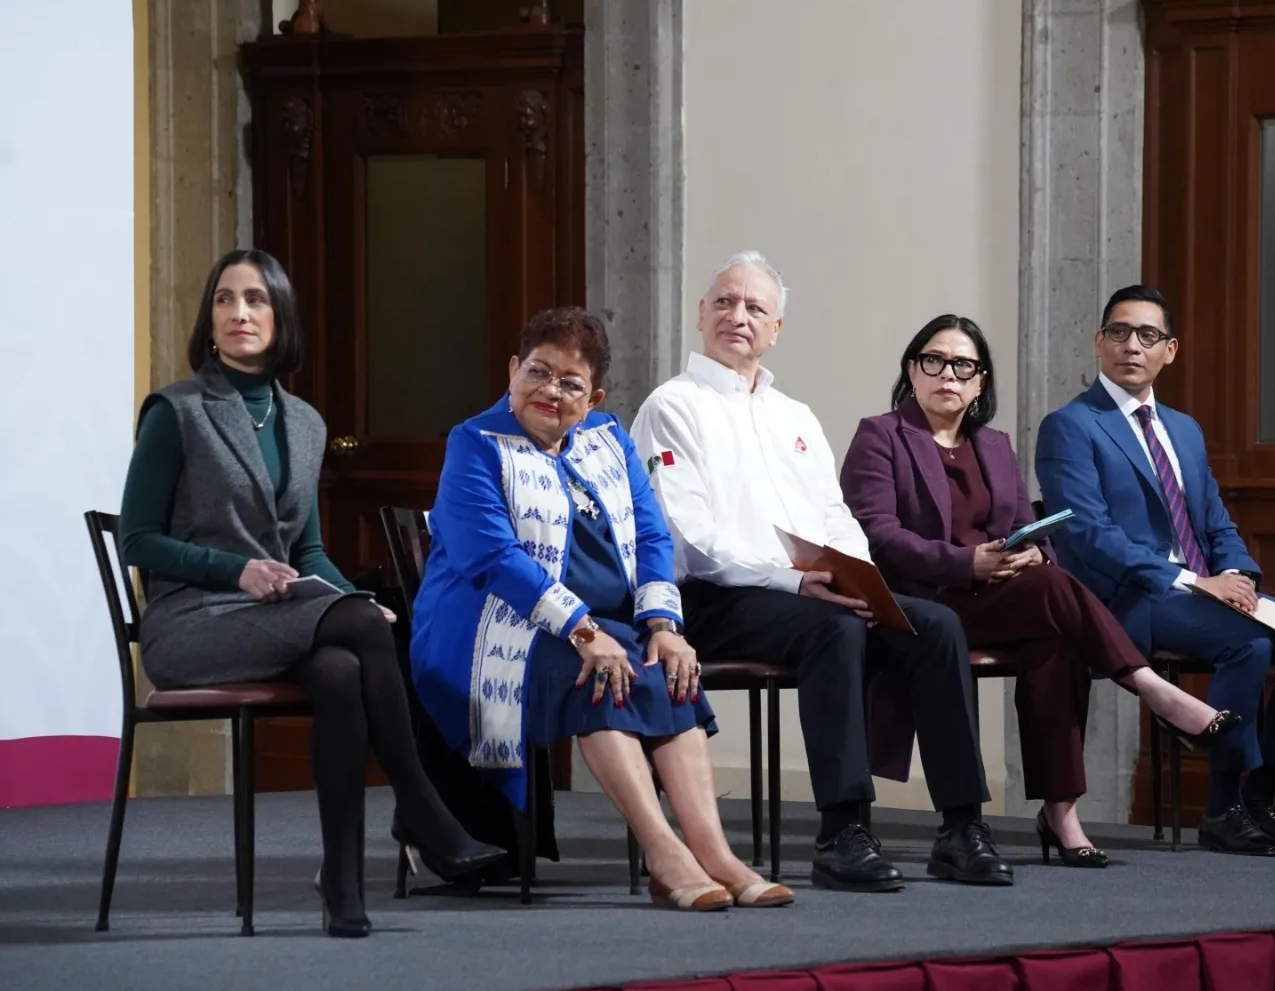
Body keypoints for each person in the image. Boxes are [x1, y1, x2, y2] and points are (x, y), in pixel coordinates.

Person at [119, 249, 503, 938]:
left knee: (342, 667)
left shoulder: (304, 423)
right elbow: (138, 541)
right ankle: (421, 808)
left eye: (257, 300)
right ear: (209, 324)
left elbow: (306, 552)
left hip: (278, 618)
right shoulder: (175, 413)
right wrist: (232, 570)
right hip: (193, 622)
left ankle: (343, 882)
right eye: (226, 300)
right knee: (356, 634)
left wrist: (350, 596)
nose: (240, 313)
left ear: (280, 319)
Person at [631, 251, 1011, 892]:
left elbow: (835, 518)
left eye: (756, 307)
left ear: (775, 328)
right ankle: (843, 831)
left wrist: (854, 577)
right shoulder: (673, 406)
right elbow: (689, 538)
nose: (738, 316)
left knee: (937, 625)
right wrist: (795, 578)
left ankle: (961, 828)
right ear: (700, 315)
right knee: (832, 629)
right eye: (725, 302)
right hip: (715, 599)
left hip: (811, 590)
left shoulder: (795, 417)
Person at [411, 307, 792, 912]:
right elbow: (495, 558)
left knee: (672, 675)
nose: (549, 390)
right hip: (488, 626)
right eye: (538, 371)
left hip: (599, 626)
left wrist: (665, 627)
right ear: (513, 369)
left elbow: (652, 537)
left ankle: (714, 852)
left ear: (594, 398)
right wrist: (585, 630)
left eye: (570, 383)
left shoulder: (608, 439)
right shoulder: (476, 443)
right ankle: (665, 856)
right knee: (602, 678)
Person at [840, 314, 1241, 868]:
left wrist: (1033, 552)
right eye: (933, 361)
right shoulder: (880, 436)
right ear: (912, 370)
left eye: (963, 365)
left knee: (1056, 635)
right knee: (1054, 600)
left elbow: (1024, 524)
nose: (947, 375)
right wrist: (966, 563)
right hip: (924, 602)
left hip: (997, 594)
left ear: (980, 382)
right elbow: (877, 536)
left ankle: (1061, 810)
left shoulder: (995, 445)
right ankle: (1154, 691)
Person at [1035, 285, 1275, 857]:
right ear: (1099, 342)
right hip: (1128, 596)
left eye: (1148, 336)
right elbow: (1085, 533)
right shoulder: (1071, 425)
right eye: (1120, 333)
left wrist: (1240, 574)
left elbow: (1214, 521)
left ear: (1169, 350)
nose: (1133, 346)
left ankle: (1260, 798)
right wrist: (1191, 581)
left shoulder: (1184, 429)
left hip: (1205, 592)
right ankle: (1221, 810)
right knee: (1247, 646)